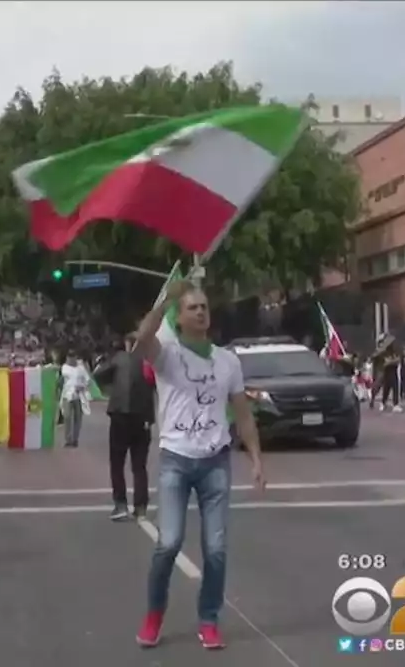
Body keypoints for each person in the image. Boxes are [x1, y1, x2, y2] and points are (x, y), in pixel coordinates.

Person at [129, 279, 264, 651]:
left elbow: (243, 414)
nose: (201, 312)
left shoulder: (227, 362)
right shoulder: (167, 355)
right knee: (169, 543)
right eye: (192, 308)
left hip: (215, 463)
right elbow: (141, 339)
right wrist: (167, 298)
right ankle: (154, 615)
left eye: (204, 306)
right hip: (176, 460)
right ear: (180, 317)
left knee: (216, 549)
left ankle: (209, 619)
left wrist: (255, 459)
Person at [93, 333, 156, 521]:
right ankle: (141, 506)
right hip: (143, 416)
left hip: (120, 413)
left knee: (117, 462)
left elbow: (98, 375)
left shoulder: (119, 358)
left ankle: (120, 504)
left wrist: (110, 388)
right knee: (139, 465)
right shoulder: (150, 361)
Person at [59, 353, 92, 447]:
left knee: (78, 418)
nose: (70, 360)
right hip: (67, 395)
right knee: (67, 416)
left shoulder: (81, 369)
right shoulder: (65, 368)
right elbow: (63, 378)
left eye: (72, 358)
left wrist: (82, 386)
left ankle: (75, 439)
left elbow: (88, 380)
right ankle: (68, 439)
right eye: (69, 358)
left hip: (79, 396)